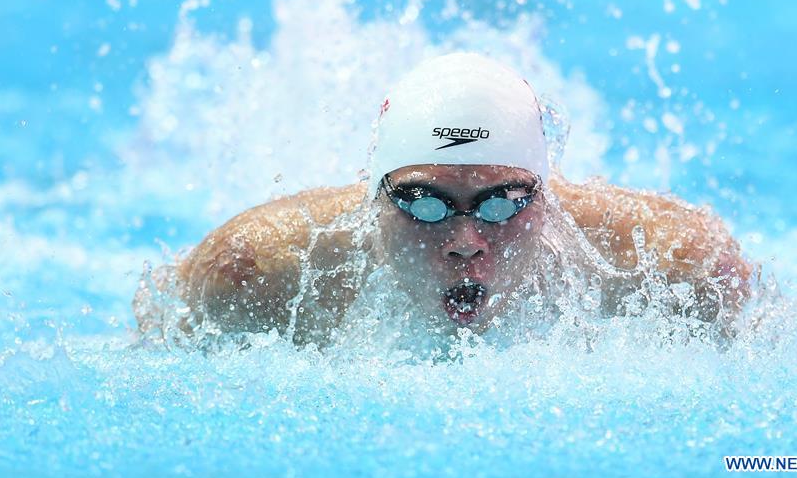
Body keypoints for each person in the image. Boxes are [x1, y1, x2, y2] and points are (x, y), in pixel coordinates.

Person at [134, 53, 751, 346]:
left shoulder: (673, 266)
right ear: (375, 198)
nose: (464, 242)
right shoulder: (255, 271)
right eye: (424, 204)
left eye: (502, 204)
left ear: (546, 196)